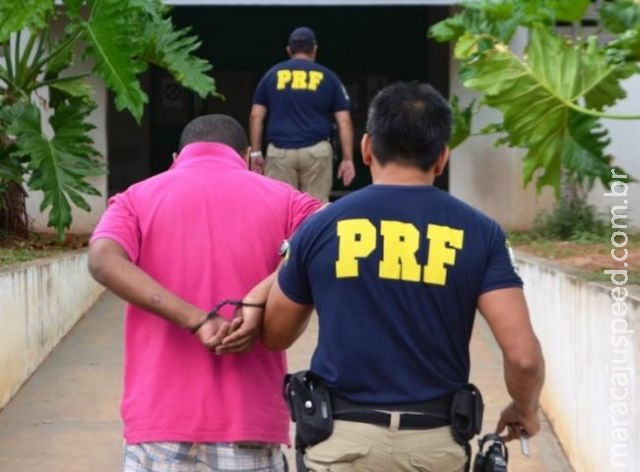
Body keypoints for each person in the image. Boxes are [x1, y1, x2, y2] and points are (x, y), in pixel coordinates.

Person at [257, 82, 546, 471]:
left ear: (365, 148)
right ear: (442, 158)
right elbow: (524, 359)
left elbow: (275, 334)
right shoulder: (481, 233)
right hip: (435, 446)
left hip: (340, 446)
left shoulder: (321, 228)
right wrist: (524, 409)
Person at [87, 114, 322, 472]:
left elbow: (102, 259)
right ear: (246, 158)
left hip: (158, 421)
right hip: (248, 420)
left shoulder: (137, 198)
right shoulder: (287, 200)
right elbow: (330, 238)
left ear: (175, 159)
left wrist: (196, 320)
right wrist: (264, 291)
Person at [249, 26, 355, 202]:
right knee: (315, 209)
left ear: (289, 50)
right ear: (315, 49)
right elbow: (344, 122)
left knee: (280, 207)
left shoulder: (272, 75)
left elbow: (255, 116)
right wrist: (348, 159)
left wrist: (256, 153)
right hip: (316, 152)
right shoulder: (329, 77)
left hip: (280, 153)